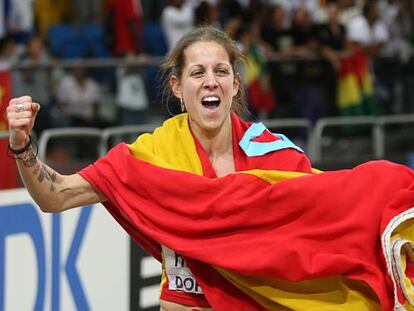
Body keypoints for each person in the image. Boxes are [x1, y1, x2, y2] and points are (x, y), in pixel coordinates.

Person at [6, 26, 414, 310]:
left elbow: (324, 227)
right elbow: (54, 196)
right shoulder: (151, 156)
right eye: (197, 73)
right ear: (177, 88)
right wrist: (22, 147)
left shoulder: (277, 156)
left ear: (235, 85)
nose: (210, 82)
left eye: (221, 72)